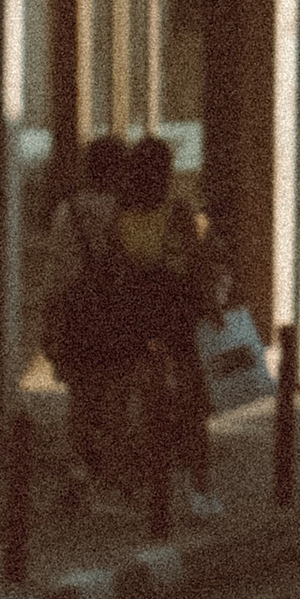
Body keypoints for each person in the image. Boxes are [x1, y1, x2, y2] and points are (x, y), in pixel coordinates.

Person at [116, 134, 222, 518]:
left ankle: (136, 488)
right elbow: (198, 263)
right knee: (192, 405)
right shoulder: (177, 211)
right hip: (175, 316)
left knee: (144, 405)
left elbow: (119, 266)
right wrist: (213, 309)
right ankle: (199, 489)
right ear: (165, 172)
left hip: (136, 315)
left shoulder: (122, 213)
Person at [44, 135, 135, 507]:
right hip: (116, 315)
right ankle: (113, 479)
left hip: (78, 315)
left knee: (80, 400)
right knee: (115, 398)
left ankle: (79, 473)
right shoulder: (126, 212)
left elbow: (57, 275)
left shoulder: (68, 212)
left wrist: (50, 325)